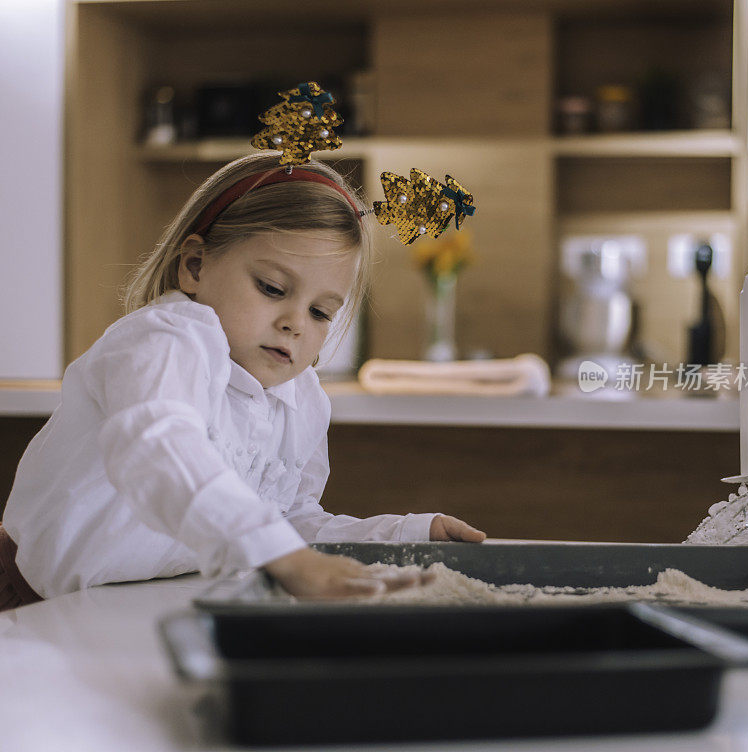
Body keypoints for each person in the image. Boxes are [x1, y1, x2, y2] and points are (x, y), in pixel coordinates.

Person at [0, 153, 486, 609]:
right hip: (29, 603)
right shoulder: (164, 342)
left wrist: (403, 535)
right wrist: (285, 558)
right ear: (195, 266)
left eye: (321, 313)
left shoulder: (301, 400)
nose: (295, 322)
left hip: (119, 610)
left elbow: (287, 523)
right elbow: (159, 450)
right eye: (272, 288)